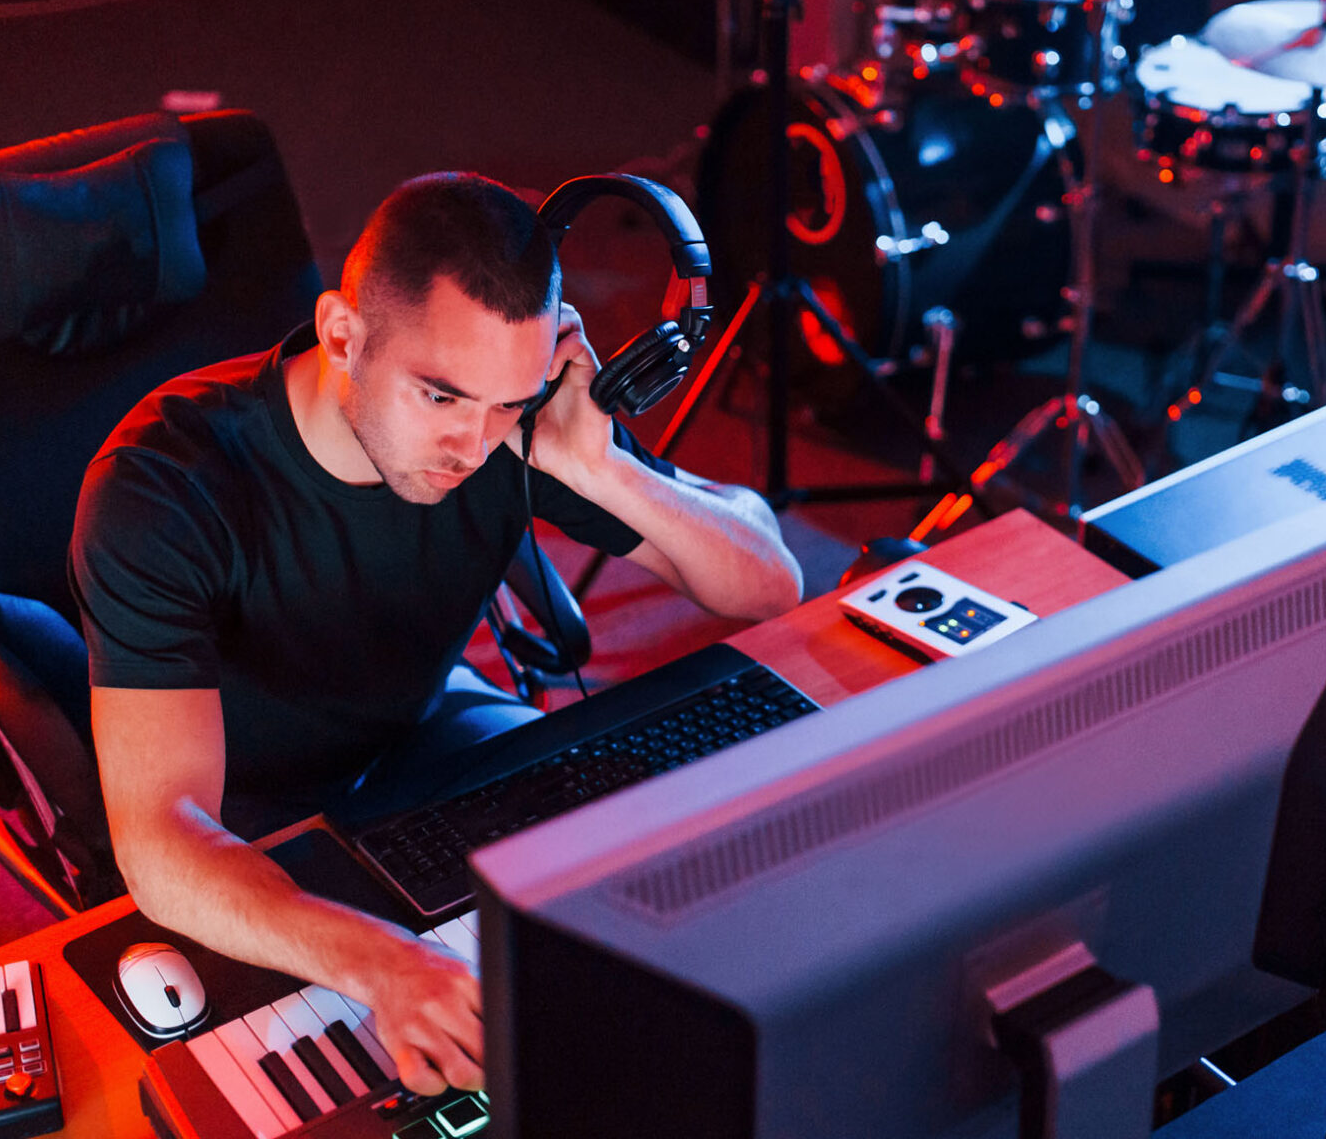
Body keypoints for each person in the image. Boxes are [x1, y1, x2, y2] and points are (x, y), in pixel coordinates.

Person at [69, 173, 803, 1097]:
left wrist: (599, 467)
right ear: (344, 335)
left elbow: (769, 583)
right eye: (441, 397)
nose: (475, 444)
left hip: (420, 739)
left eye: (509, 404)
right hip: (249, 822)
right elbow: (162, 841)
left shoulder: (514, 429)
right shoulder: (163, 487)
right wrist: (389, 964)